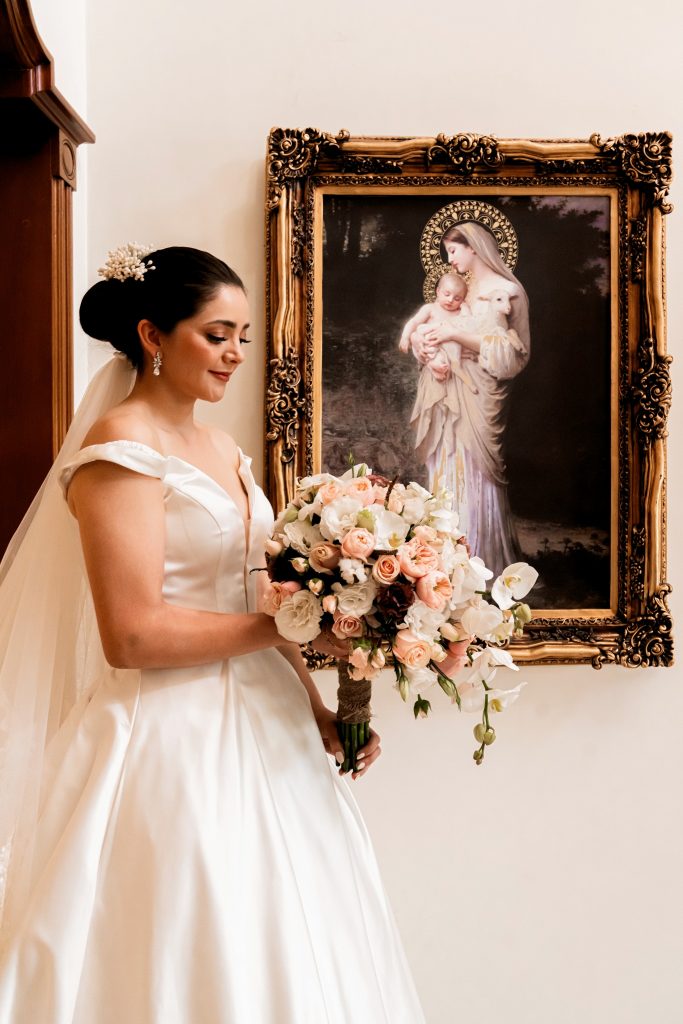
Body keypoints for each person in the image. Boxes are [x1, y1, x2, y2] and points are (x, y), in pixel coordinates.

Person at [0, 245, 425, 1022]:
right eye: (215, 334)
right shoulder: (118, 453)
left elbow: (260, 597)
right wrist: (280, 628)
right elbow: (131, 636)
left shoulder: (222, 449)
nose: (234, 354)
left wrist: (316, 703)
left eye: (242, 337)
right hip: (170, 738)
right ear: (153, 337)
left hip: (274, 731)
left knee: (297, 938)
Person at [408, 222, 530, 578]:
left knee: (476, 470)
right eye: (447, 251)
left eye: (454, 250)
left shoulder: (508, 291)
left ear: (474, 247)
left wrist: (456, 335)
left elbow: (515, 355)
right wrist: (425, 347)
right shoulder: (453, 289)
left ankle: (482, 562)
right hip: (444, 388)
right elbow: (427, 329)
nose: (450, 259)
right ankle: (441, 563)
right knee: (444, 463)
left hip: (481, 390)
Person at [398, 270, 475, 391]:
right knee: (428, 347)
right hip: (431, 349)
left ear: (462, 300)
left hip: (452, 357)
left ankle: (440, 368)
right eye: (447, 294)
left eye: (457, 298)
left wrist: (465, 309)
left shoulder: (459, 313)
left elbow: (469, 325)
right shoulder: (431, 309)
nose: (450, 300)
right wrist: (405, 336)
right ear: (438, 291)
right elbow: (414, 322)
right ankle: (433, 366)